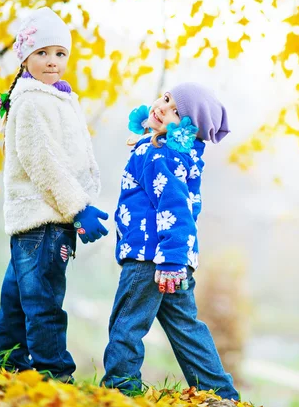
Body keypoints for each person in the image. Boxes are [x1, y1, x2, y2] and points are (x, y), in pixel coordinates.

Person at [101, 83, 238, 400]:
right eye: (165, 99)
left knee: (127, 324)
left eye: (177, 112)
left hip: (152, 258)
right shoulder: (167, 151)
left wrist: (171, 261)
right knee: (186, 329)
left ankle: (120, 390)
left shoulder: (161, 156)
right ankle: (220, 393)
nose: (163, 108)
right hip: (170, 260)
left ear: (189, 129)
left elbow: (176, 209)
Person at [0, 7, 108, 382]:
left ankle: (10, 361)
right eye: (42, 53)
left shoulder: (52, 97)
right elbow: (43, 162)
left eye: (60, 53)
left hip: (37, 219)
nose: (53, 61)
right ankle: (55, 374)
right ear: (25, 57)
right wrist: (79, 208)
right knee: (43, 301)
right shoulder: (34, 99)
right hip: (46, 219)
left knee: (18, 296)